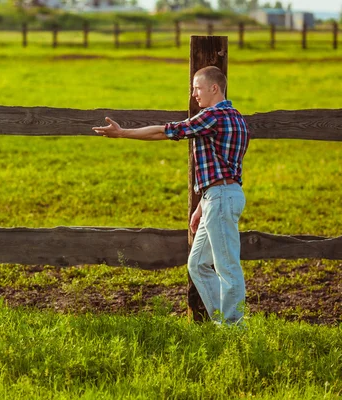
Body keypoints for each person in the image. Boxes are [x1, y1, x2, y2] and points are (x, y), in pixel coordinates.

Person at [92, 66, 249, 324]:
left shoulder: (212, 116)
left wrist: (122, 133)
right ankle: (224, 321)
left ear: (214, 88)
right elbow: (226, 167)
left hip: (221, 197)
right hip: (221, 195)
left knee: (227, 267)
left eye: (197, 88)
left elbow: (165, 131)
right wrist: (203, 204)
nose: (193, 93)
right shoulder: (237, 117)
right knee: (198, 265)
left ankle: (234, 330)